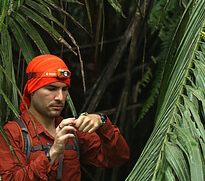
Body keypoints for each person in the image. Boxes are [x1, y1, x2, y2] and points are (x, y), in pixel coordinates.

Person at [0, 54, 130, 180]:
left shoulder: (72, 130)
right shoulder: (13, 133)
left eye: (64, 89)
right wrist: (52, 153)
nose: (60, 98)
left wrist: (102, 121)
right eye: (51, 89)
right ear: (32, 90)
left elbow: (118, 157)